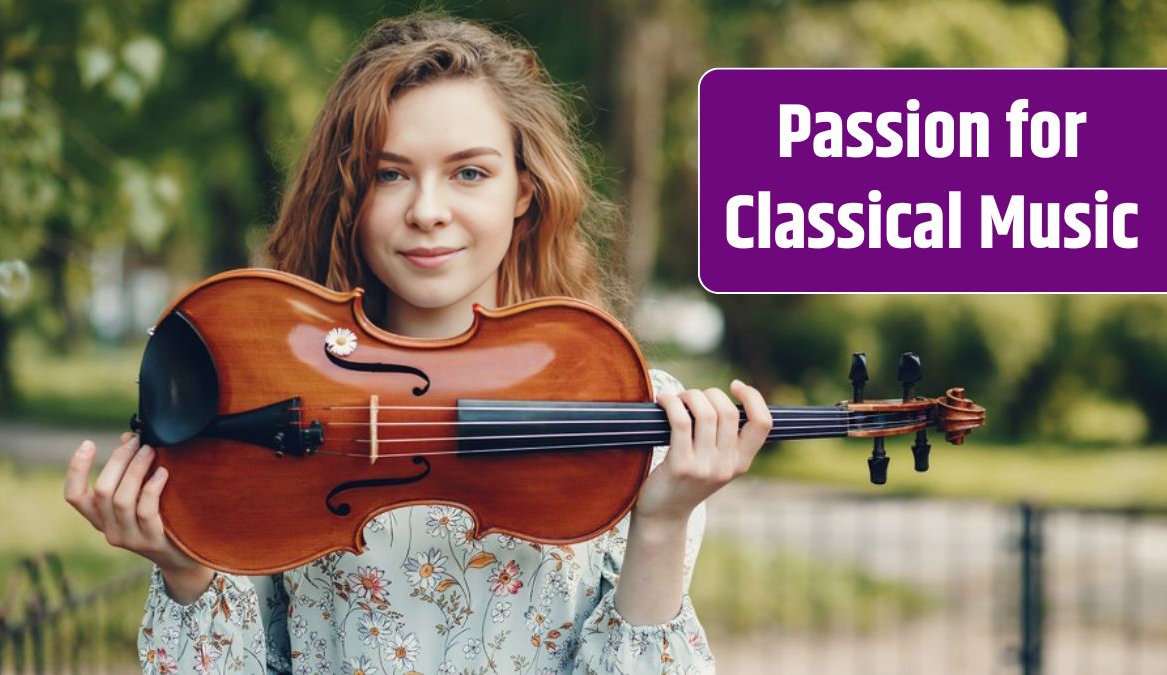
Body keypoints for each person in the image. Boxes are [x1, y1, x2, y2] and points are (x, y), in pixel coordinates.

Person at [63, 13, 772, 674]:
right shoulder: (276, 387)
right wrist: (187, 569)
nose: (427, 212)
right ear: (350, 190)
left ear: (523, 191)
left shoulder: (632, 407)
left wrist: (662, 520)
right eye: (389, 173)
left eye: (470, 172)